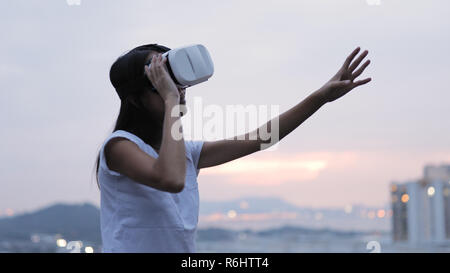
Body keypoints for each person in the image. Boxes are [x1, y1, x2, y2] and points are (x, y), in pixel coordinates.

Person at [95, 43, 371, 252]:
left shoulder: (186, 153)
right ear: (135, 100)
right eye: (161, 84)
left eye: (176, 83)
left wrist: (320, 97)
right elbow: (171, 179)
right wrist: (170, 100)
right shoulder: (119, 147)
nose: (177, 90)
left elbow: (263, 137)